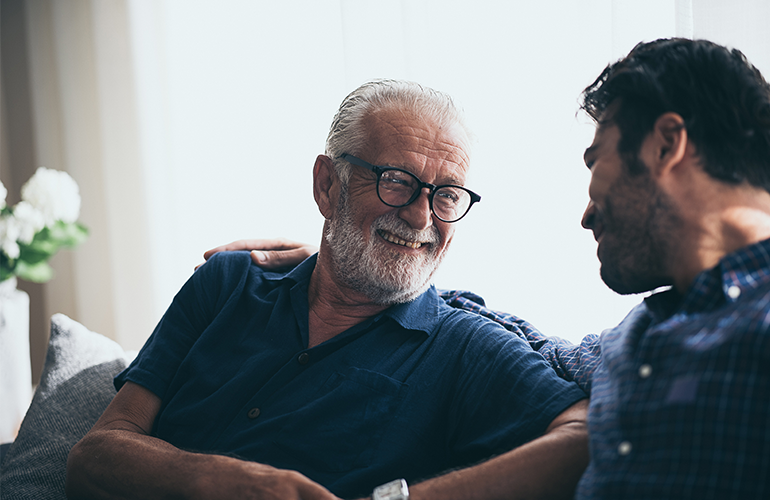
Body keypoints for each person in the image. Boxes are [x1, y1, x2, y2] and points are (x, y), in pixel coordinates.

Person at [216, 38, 770, 499]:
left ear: (667, 146)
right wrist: (344, 259)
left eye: (595, 161)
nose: (587, 213)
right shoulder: (639, 338)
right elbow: (528, 347)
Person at [66, 80, 588, 500]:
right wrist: (236, 483)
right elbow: (93, 457)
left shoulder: (465, 347)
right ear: (327, 185)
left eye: (447, 195)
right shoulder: (227, 283)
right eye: (396, 181)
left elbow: (585, 439)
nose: (421, 215)